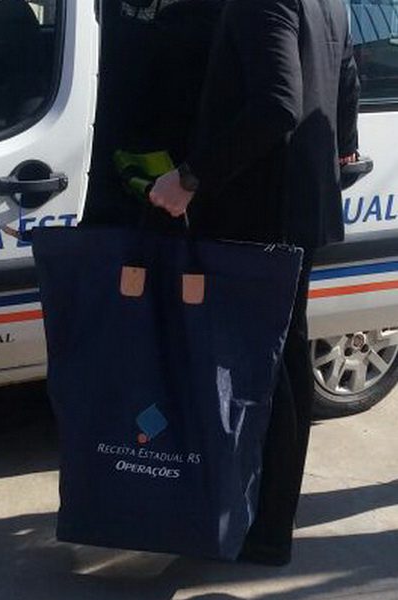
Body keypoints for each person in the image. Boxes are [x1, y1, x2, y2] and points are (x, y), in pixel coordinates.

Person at [147, 0, 360, 566]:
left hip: (259, 213)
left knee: (265, 372)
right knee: (285, 361)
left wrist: (189, 178)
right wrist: (342, 151)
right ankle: (270, 521)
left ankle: (261, 527)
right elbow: (347, 76)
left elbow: (275, 105)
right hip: (298, 206)